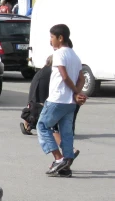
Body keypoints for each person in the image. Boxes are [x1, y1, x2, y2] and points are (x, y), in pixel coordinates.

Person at [37, 24, 87, 175]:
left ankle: (59, 159)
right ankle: (66, 167)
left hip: (57, 99)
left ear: (60, 38)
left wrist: (74, 92)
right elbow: (81, 78)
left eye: (52, 37)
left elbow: (64, 76)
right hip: (70, 102)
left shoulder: (59, 54)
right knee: (66, 133)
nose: (50, 41)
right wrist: (77, 93)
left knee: (42, 126)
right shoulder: (75, 55)